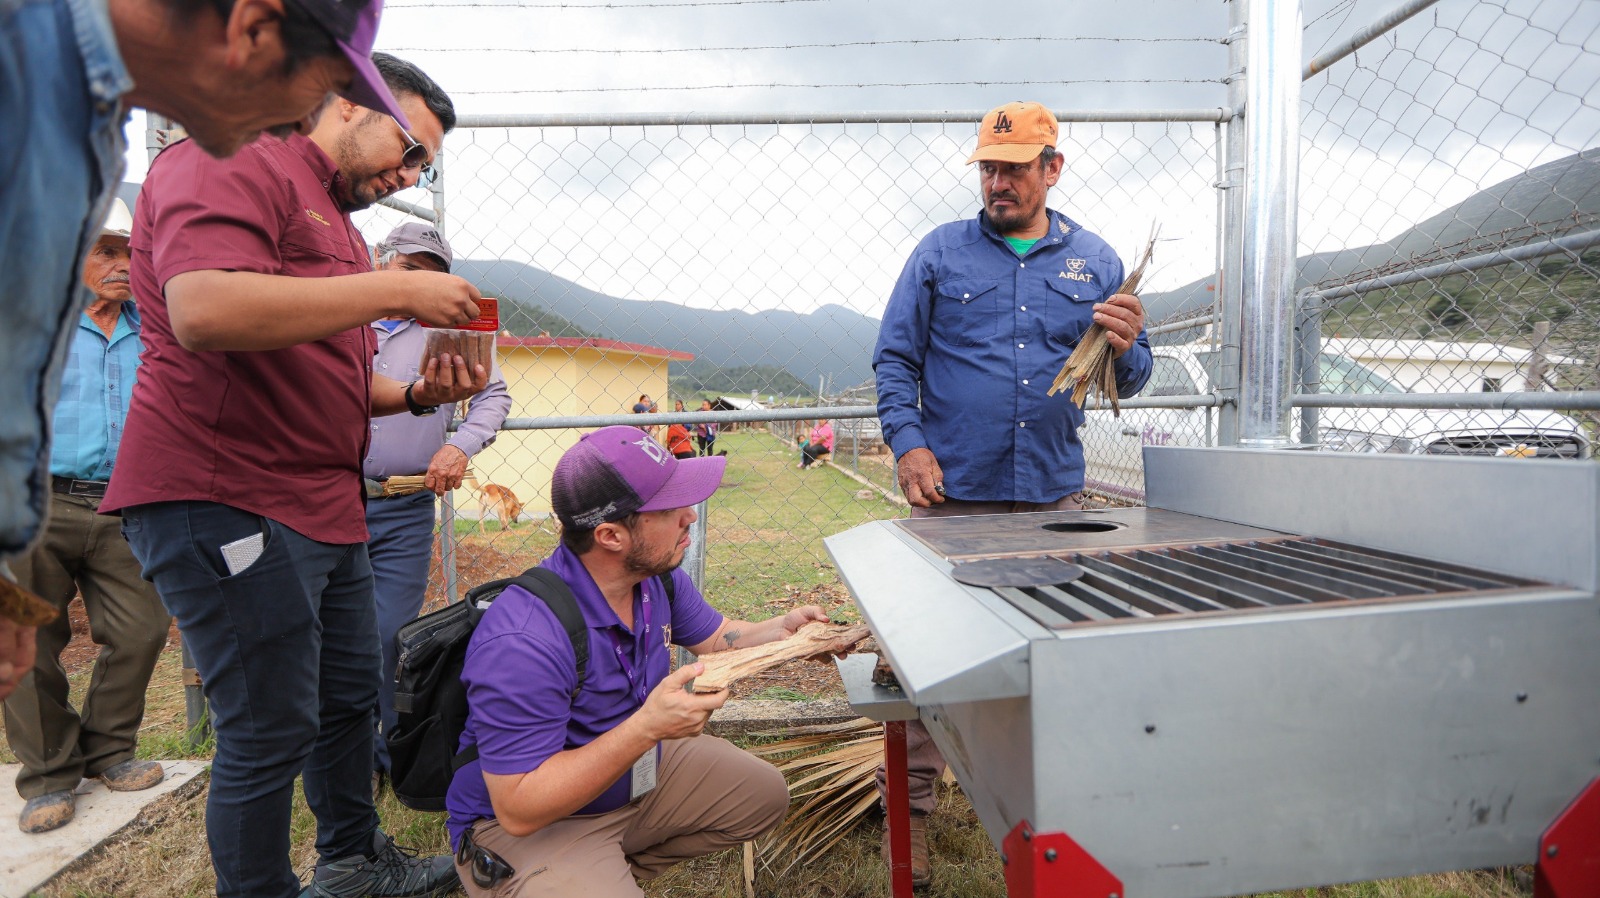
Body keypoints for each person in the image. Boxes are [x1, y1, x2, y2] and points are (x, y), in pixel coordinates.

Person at [101, 55, 483, 898]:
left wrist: (416, 394)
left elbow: (331, 371)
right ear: (348, 102)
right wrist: (391, 292)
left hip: (321, 502)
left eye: (424, 168)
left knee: (346, 698)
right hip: (226, 493)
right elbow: (205, 308)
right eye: (409, 149)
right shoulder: (231, 152)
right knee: (267, 724)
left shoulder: (335, 219)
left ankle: (354, 861)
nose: (409, 176)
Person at [1, 0, 410, 701]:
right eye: (311, 92)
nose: (300, 126)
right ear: (253, 26)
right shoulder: (27, 74)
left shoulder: (88, 119)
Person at [871, 100, 1152, 887]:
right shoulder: (939, 254)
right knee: (929, 660)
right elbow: (894, 360)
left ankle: (1044, 819)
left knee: (1049, 661)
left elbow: (1130, 377)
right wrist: (909, 443)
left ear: (1052, 169)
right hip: (954, 494)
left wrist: (1129, 344)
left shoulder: (1094, 260)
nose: (998, 182)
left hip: (1052, 501)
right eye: (989, 168)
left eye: (1015, 169)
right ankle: (911, 821)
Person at [445, 426, 830, 897]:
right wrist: (647, 728)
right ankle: (555, 873)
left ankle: (603, 868)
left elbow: (718, 636)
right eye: (669, 510)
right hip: (532, 821)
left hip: (629, 773)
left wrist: (783, 632)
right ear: (610, 535)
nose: (691, 515)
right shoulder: (524, 638)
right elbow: (519, 808)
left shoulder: (653, 579)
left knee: (761, 795)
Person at [3, 201, 172, 835]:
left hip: (127, 502)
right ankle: (48, 774)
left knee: (142, 629)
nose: (122, 265)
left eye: (131, 252)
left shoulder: (154, 327)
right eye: (105, 251)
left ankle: (108, 751)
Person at [364, 223, 512, 787]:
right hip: (325, 501)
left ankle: (383, 757)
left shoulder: (452, 330)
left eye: (430, 275)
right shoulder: (341, 316)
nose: (415, 282)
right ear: (380, 261)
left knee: (386, 635)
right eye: (407, 268)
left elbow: (493, 394)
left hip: (401, 505)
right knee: (323, 635)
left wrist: (458, 445)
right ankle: (335, 753)